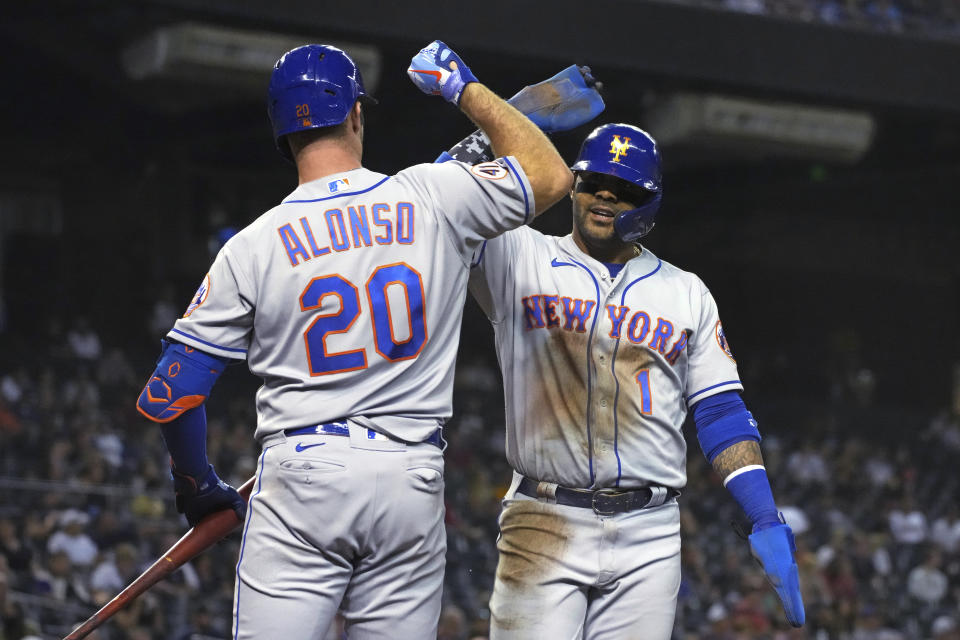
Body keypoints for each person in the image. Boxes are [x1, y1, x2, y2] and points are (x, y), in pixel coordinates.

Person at [135, 41, 573, 638]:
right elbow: (548, 174)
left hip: (302, 476)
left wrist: (197, 485)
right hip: (410, 477)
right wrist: (462, 87)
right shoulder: (431, 193)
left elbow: (171, 393)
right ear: (356, 114)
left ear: (282, 133)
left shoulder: (252, 245)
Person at [450, 123, 805, 638]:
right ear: (573, 185)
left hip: (650, 531)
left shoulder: (686, 293)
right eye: (595, 182)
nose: (606, 196)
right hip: (544, 519)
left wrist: (764, 514)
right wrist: (513, 116)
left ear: (652, 203)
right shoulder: (516, 253)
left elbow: (719, 410)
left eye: (626, 190)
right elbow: (436, 204)